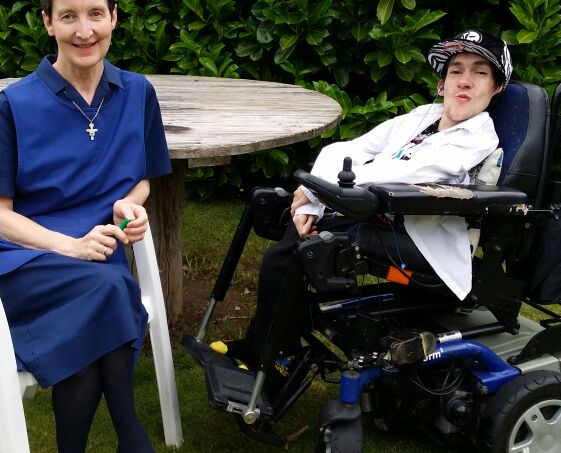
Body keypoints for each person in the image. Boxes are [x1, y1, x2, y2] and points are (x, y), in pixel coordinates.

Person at [0, 0, 170, 452]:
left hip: (91, 263)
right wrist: (68, 246)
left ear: (114, 17)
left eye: (96, 13)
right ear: (48, 22)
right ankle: (131, 437)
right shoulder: (16, 103)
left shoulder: (138, 93)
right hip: (17, 259)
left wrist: (130, 207)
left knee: (99, 294)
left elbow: (143, 180)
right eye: (69, 16)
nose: (84, 30)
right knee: (111, 287)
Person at [213, 29, 513, 373]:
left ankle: (265, 352)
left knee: (296, 254)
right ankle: (275, 342)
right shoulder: (422, 117)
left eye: (480, 72)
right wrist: (313, 199)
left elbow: (406, 173)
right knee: (277, 215)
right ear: (442, 83)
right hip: (375, 213)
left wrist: (317, 190)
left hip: (420, 238)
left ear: (496, 87)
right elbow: (348, 149)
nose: (465, 81)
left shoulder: (477, 138)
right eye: (456, 70)